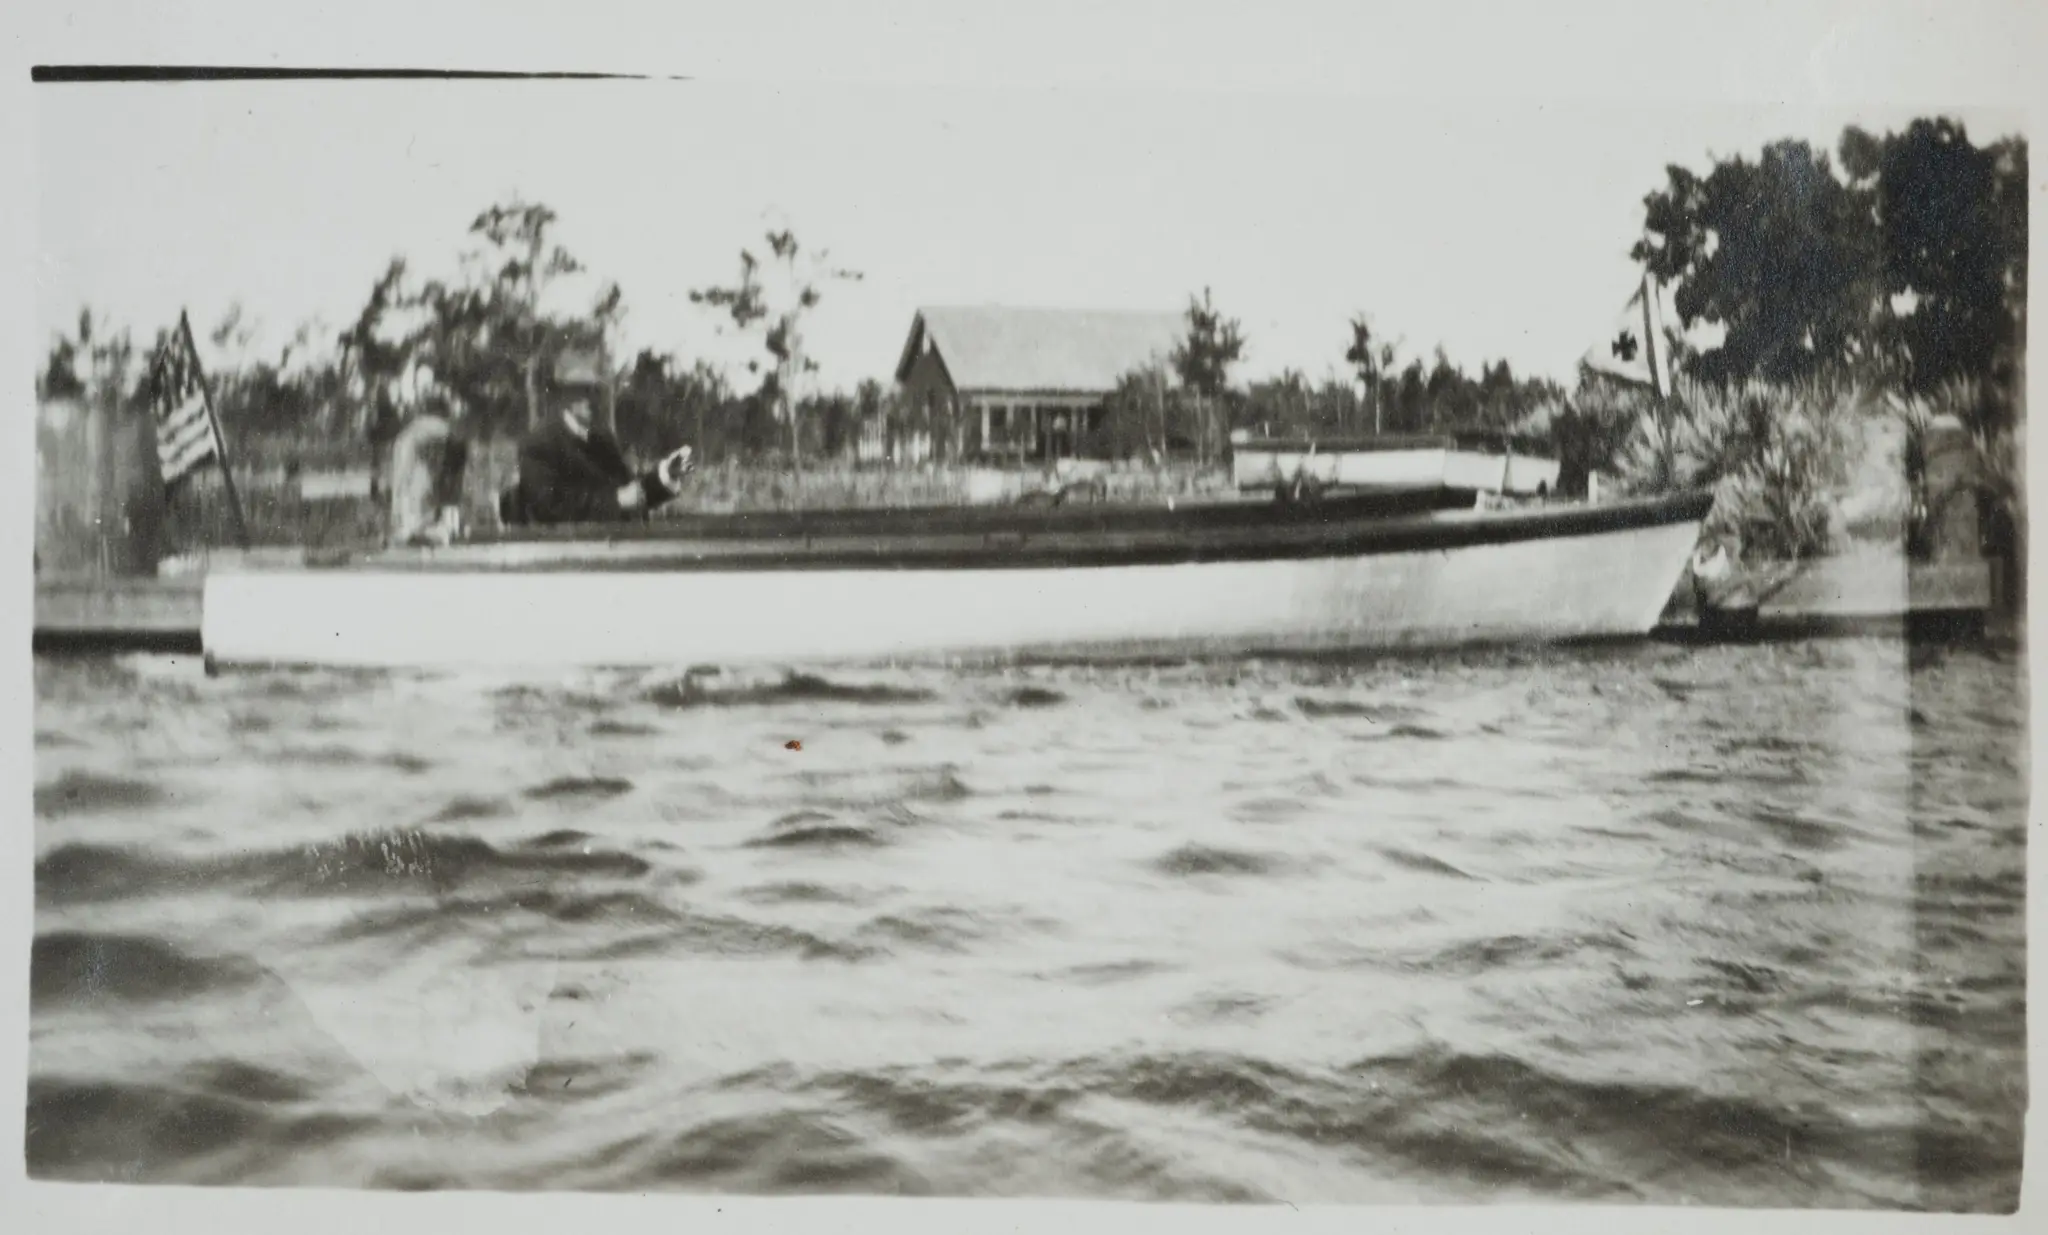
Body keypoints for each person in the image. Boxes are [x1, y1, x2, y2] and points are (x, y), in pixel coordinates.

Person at [501, 348, 695, 527]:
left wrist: (665, 475)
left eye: (597, 393)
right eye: (583, 392)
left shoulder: (602, 441)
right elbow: (550, 507)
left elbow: (630, 491)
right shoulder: (539, 445)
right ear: (564, 397)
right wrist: (616, 501)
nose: (593, 401)